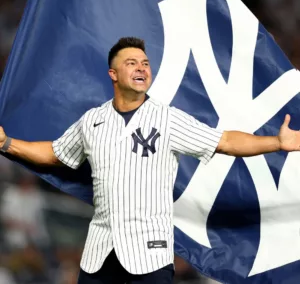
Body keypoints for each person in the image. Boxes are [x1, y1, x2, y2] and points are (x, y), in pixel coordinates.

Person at [0, 37, 300, 284]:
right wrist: (7, 143)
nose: (142, 68)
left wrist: (276, 142)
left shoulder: (167, 119)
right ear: (113, 74)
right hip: (99, 255)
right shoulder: (92, 121)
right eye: (131, 63)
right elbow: (55, 153)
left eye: (145, 63)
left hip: (149, 257)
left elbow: (224, 141)